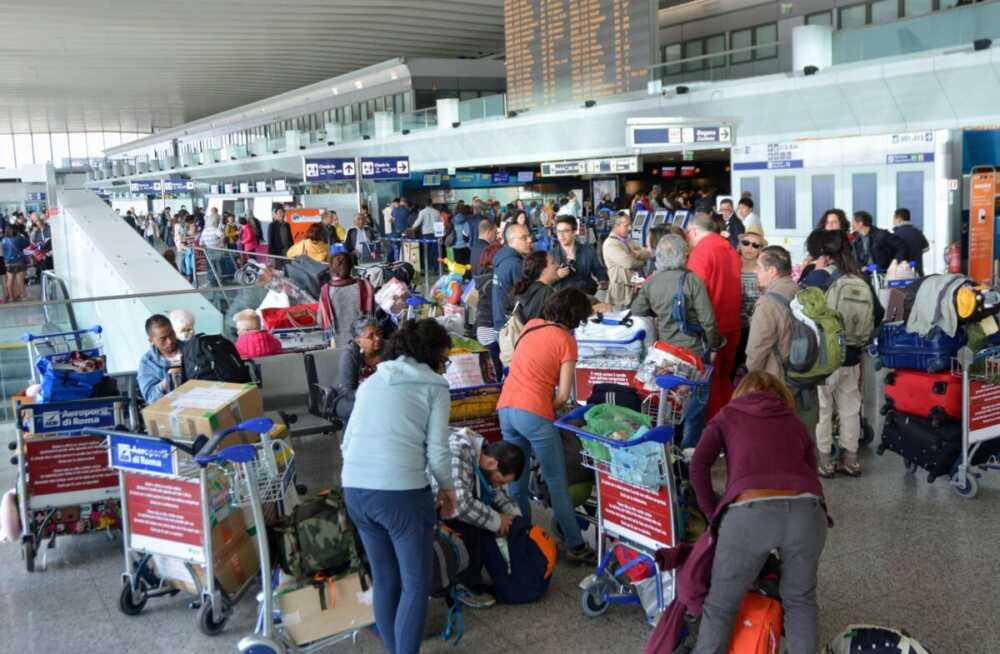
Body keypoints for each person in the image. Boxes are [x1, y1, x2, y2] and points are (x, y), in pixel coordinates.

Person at [689, 371, 828, 654]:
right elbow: (812, 472)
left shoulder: (728, 415)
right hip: (807, 513)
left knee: (721, 606)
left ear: (741, 392)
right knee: (800, 600)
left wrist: (711, 512)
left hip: (750, 514)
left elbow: (698, 464)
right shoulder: (794, 421)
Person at [340, 318, 455, 654]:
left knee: (385, 579)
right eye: (444, 360)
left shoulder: (372, 382)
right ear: (432, 355)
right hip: (401, 494)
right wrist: (448, 489)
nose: (444, 367)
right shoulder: (435, 386)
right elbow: (437, 450)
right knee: (416, 585)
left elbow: (346, 443)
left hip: (355, 490)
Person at [497, 288, 596, 564]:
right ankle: (576, 545)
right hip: (533, 412)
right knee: (557, 482)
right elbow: (563, 395)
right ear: (576, 317)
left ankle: (524, 536)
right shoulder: (566, 341)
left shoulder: (531, 326)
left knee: (516, 479)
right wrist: (549, 408)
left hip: (505, 406)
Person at [630, 234, 722, 449]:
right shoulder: (691, 281)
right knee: (694, 406)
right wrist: (715, 345)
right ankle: (689, 452)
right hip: (693, 354)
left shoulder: (652, 283)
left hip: (665, 356)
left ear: (659, 256)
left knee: (668, 405)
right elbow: (708, 321)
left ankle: (669, 450)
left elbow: (637, 311)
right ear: (684, 256)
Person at [800, 229, 875, 477]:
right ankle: (850, 459)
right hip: (852, 357)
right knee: (850, 407)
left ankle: (824, 461)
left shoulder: (817, 278)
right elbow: (879, 313)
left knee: (823, 407)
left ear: (822, 253)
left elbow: (801, 312)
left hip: (824, 358)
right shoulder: (859, 278)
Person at [436, 432, 525, 603]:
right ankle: (465, 587)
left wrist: (515, 518)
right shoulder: (458, 454)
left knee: (482, 519)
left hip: (440, 502)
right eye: (500, 480)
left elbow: (494, 491)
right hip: (428, 507)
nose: (498, 486)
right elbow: (461, 505)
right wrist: (498, 520)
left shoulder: (481, 452)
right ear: (492, 463)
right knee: (472, 528)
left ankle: (471, 580)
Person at [745, 245, 819, 438]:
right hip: (805, 377)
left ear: (772, 271)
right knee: (801, 438)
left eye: (759, 267)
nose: (755, 272)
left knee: (777, 441)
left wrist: (753, 380)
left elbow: (755, 352)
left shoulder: (768, 303)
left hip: (777, 383)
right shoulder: (802, 291)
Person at [687, 211, 742, 420]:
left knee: (708, 387)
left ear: (692, 231)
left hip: (711, 331)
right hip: (732, 326)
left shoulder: (701, 252)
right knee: (724, 380)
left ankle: (715, 432)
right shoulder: (729, 247)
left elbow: (694, 294)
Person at [325, 317, 384, 424]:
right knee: (361, 409)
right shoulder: (350, 354)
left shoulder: (387, 348)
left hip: (380, 397)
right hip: (347, 399)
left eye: (379, 333)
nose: (377, 338)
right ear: (358, 340)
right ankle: (351, 440)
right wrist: (372, 395)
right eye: (371, 336)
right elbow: (348, 391)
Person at [319, 252, 374, 349]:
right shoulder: (365, 286)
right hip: (365, 342)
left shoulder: (325, 291)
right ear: (351, 267)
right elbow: (373, 315)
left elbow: (320, 320)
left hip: (340, 344)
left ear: (331, 268)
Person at [734, 226, 766, 380]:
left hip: (755, 331)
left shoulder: (763, 272)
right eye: (746, 243)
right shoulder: (731, 267)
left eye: (755, 245)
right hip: (732, 329)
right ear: (740, 245)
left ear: (760, 250)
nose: (749, 248)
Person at [602, 211, 650, 308]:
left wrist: (635, 254)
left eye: (630, 225)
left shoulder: (628, 240)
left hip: (635, 290)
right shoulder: (611, 244)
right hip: (622, 295)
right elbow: (629, 263)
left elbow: (647, 252)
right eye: (626, 225)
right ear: (616, 226)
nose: (630, 228)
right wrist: (643, 261)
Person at [491, 223, 532, 332]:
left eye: (529, 236)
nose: (529, 240)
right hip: (511, 329)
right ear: (511, 241)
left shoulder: (502, 258)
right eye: (524, 238)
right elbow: (527, 298)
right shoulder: (515, 264)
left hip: (500, 323)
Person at [551, 215, 607, 295]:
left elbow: (598, 269)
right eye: (559, 231)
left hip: (585, 296)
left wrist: (602, 280)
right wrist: (557, 276)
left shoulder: (587, 251)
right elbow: (544, 282)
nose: (561, 235)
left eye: (566, 231)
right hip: (562, 299)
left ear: (574, 232)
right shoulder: (551, 255)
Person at [137, 314, 184, 403]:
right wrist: (168, 380)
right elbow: (150, 398)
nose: (170, 341)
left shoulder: (189, 348)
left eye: (171, 334)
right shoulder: (147, 363)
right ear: (151, 341)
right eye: (163, 339)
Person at [505, 251, 559, 323]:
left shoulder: (524, 287)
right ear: (543, 270)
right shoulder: (546, 293)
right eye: (553, 263)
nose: (557, 265)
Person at [892, 208, 929, 275]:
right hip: (917, 271)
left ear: (899, 219)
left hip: (902, 274)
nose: (893, 220)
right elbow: (926, 248)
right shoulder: (917, 232)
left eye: (894, 218)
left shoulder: (896, 234)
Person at [2, 226, 29, 302]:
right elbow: (27, 243)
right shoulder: (18, 238)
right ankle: (23, 296)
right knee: (20, 280)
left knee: (9, 281)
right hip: (18, 262)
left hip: (8, 263)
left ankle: (11, 297)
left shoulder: (3, 240)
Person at [451, 201, 472, 265]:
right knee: (466, 265)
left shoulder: (452, 220)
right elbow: (467, 233)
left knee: (458, 266)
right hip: (465, 246)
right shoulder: (466, 220)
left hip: (455, 245)